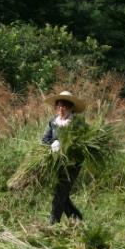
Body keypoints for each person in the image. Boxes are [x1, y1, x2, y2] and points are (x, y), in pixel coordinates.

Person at [41, 91, 87, 224]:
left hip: (72, 164)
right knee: (62, 194)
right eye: (58, 106)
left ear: (71, 108)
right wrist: (53, 144)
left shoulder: (77, 122)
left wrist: (67, 145)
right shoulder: (53, 122)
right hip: (56, 163)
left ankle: (52, 224)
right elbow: (45, 139)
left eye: (64, 106)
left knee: (59, 194)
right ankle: (77, 220)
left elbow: (82, 142)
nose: (61, 109)